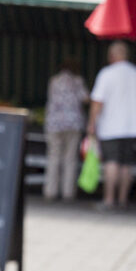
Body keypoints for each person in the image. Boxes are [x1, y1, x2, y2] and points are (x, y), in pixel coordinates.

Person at [86, 39, 136, 210]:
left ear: (112, 55)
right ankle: (122, 200)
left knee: (111, 162)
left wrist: (92, 123)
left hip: (110, 126)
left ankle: (109, 199)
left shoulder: (106, 74)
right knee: (126, 164)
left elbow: (97, 102)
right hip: (132, 126)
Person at [43, 58, 89, 201]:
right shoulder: (78, 81)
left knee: (53, 156)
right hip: (73, 124)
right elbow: (86, 98)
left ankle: (50, 191)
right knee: (70, 158)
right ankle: (68, 192)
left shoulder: (54, 81)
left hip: (54, 123)